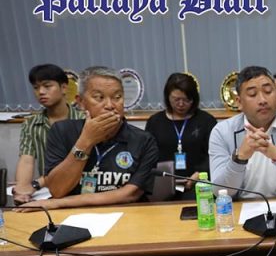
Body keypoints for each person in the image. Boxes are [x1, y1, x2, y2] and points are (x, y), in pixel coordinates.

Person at [18, 66, 159, 211]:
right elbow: (57, 190)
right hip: (73, 216)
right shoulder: (61, 131)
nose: (110, 105)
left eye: (117, 97)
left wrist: (61, 203)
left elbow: (131, 194)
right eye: (99, 98)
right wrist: (86, 141)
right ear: (80, 102)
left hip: (126, 214)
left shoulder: (143, 140)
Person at [209, 66, 276, 199]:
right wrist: (240, 158)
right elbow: (219, 191)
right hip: (241, 207)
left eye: (268, 91)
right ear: (239, 102)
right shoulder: (221, 132)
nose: (262, 100)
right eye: (252, 94)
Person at [13, 64, 84, 205]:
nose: (41, 92)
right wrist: (22, 188)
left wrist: (37, 183)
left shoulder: (83, 120)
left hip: (81, 188)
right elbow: (26, 160)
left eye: (47, 86)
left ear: (64, 88)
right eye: (36, 87)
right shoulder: (31, 124)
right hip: (49, 192)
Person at [145, 73, 217, 198]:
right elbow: (148, 157)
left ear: (194, 99)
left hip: (199, 185)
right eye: (176, 99)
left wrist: (199, 174)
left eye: (186, 100)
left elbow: (215, 154)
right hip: (163, 186)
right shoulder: (155, 122)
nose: (181, 104)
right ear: (168, 97)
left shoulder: (206, 121)